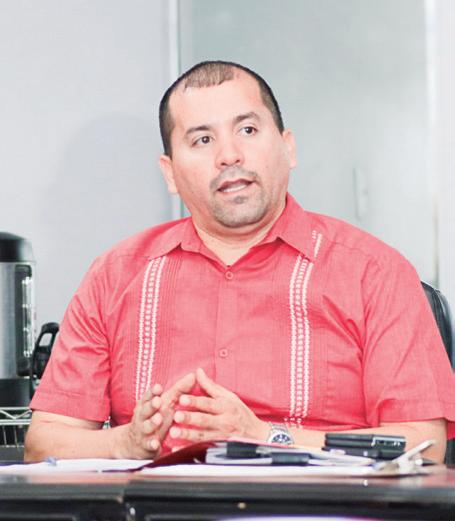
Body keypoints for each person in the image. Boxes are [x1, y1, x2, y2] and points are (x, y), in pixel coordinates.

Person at [25, 60, 455, 463]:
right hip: (165, 505)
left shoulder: (373, 273)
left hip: (316, 506)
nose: (229, 155)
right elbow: (44, 442)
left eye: (247, 130)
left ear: (287, 148)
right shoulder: (115, 276)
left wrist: (265, 436)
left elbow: (422, 444)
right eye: (203, 139)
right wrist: (127, 442)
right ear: (170, 173)